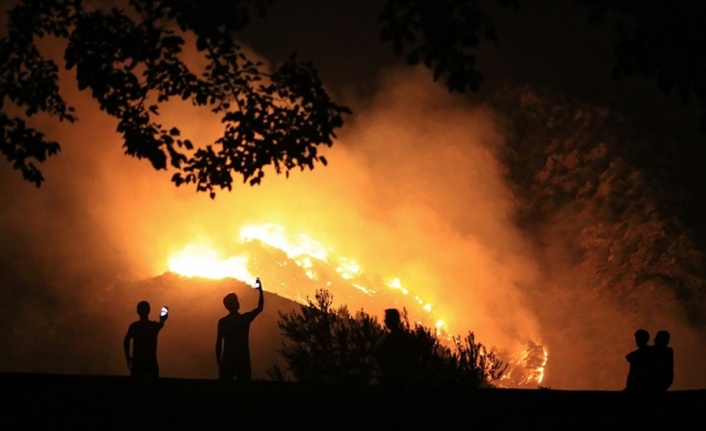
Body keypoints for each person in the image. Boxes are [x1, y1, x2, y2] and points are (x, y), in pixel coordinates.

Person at [216, 278, 265, 381]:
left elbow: (218, 343)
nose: (238, 302)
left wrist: (219, 361)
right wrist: (260, 290)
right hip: (243, 360)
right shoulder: (244, 319)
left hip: (227, 359)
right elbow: (260, 308)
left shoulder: (223, 322)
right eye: (237, 300)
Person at [123, 301, 168, 381]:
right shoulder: (153, 326)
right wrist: (162, 319)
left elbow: (126, 340)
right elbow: (160, 323)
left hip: (137, 362)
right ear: (149, 311)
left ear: (137, 311)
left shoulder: (135, 326)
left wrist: (128, 357)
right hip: (151, 362)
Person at [377, 308, 412, 386]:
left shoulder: (396, 338)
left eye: (387, 318)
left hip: (394, 380)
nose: (384, 321)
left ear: (392, 320)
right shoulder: (397, 336)